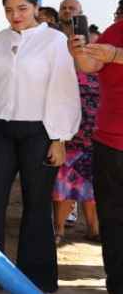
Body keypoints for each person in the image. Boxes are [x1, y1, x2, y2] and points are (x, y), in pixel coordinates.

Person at [0, 0, 80, 294]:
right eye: (9, 10)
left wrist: (60, 137)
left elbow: (64, 90)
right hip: (0, 129)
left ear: (36, 8)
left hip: (39, 132)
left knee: (36, 203)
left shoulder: (54, 42)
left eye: (22, 9)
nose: (15, 15)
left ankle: (36, 280)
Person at [69, 5, 123, 294]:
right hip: (108, 141)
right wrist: (79, 53)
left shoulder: (114, 41)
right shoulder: (114, 31)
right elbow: (92, 65)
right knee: (113, 224)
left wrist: (115, 53)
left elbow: (111, 55)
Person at [52, 31, 100, 245]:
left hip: (95, 139)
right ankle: (59, 229)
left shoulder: (102, 73)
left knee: (92, 191)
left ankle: (93, 229)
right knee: (64, 190)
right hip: (69, 139)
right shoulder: (66, 72)